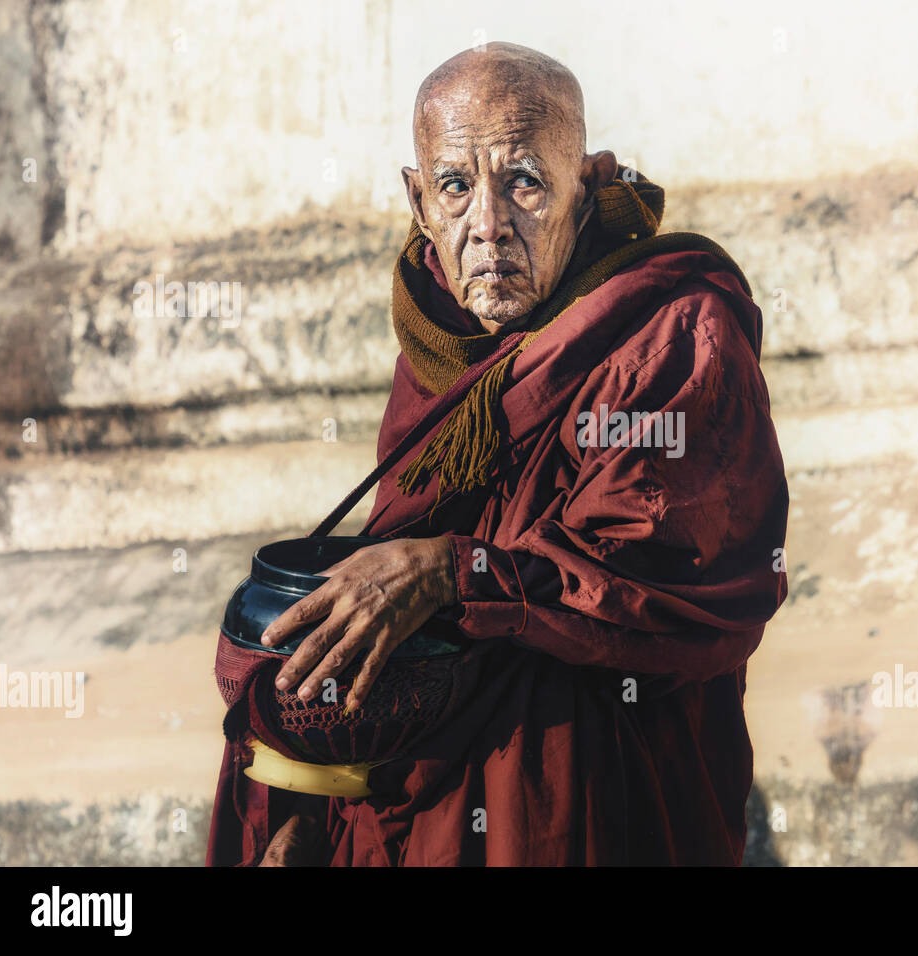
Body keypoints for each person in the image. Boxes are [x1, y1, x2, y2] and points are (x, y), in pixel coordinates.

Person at [207, 41, 788, 866]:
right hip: (425, 796)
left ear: (586, 186)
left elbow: (671, 579)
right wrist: (308, 798)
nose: (488, 225)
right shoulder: (439, 340)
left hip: (586, 796)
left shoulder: (670, 331)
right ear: (417, 201)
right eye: (454, 186)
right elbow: (387, 565)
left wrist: (455, 573)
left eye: (523, 182)